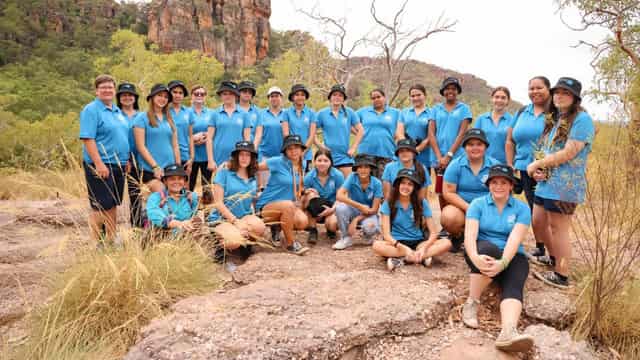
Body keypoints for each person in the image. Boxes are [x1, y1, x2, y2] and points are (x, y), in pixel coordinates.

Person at [527, 77, 594, 289]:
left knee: (559, 228)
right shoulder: (556, 118)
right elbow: (549, 149)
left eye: (565, 93)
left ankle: (562, 275)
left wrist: (539, 163)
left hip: (565, 185)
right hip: (547, 182)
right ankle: (554, 257)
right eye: (557, 92)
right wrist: (541, 169)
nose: (559, 96)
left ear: (574, 97)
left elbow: (569, 152)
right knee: (538, 220)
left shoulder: (582, 119)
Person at [461, 165, 533, 353]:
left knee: (516, 280)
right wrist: (474, 257)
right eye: (494, 182)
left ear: (511, 185)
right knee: (488, 249)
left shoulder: (522, 209)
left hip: (510, 255)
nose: (498, 186)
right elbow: (470, 236)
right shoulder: (477, 204)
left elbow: (515, 239)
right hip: (481, 251)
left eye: (503, 182)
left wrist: (503, 263)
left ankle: (508, 331)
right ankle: (472, 302)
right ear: (489, 185)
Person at [79, 74, 130, 245]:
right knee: (99, 204)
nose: (107, 90)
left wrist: (127, 160)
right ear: (96, 91)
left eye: (110, 87)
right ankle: (95, 242)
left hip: (119, 164)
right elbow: (88, 138)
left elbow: (122, 136)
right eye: (103, 87)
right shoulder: (91, 110)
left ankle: (110, 238)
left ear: (114, 90)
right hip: (101, 164)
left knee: (112, 202)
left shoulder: (117, 111)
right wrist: (99, 163)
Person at [506, 76, 551, 260]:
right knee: (534, 210)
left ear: (548, 89)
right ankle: (541, 247)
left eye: (539, 88)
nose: (535, 91)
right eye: (531, 88)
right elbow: (510, 140)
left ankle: (554, 251)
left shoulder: (555, 113)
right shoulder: (522, 111)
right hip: (524, 168)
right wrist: (510, 165)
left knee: (548, 211)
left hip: (547, 171)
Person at [373, 168, 451, 271]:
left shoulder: (421, 202)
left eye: (410, 184)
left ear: (414, 187)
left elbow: (433, 233)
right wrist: (403, 248)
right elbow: (386, 235)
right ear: (397, 185)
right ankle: (419, 258)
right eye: (403, 183)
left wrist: (424, 247)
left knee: (447, 243)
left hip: (418, 242)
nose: (406, 187)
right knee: (376, 246)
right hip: (397, 243)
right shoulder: (389, 203)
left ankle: (403, 259)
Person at [441, 129, 499, 251]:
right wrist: (470, 208)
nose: (475, 148)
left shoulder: (495, 166)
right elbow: (448, 193)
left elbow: (502, 193)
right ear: (465, 147)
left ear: (485, 147)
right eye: (470, 144)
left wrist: (485, 209)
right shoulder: (455, 165)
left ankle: (482, 238)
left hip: (487, 208)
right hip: (463, 208)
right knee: (449, 217)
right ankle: (458, 235)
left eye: (479, 144)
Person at [429, 76, 472, 237]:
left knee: (454, 191)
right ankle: (446, 226)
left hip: (457, 158)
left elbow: (462, 134)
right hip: (438, 159)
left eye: (453, 88)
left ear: (457, 91)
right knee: (441, 191)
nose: (450, 91)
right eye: (447, 88)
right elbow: (431, 134)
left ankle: (460, 225)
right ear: (443, 91)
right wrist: (439, 156)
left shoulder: (464, 109)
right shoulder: (435, 109)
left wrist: (449, 155)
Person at [256, 135, 310, 255]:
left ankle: (278, 226)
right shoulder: (277, 161)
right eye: (289, 148)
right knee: (288, 205)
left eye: (297, 147)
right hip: (266, 206)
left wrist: (305, 190)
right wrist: (229, 166)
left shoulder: (303, 163)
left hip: (287, 206)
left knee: (302, 221)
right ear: (285, 151)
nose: (293, 151)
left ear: (302, 149)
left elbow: (296, 184)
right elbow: (253, 167)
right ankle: (291, 244)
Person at [209, 141, 265, 251]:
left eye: (248, 155)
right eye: (241, 154)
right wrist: (235, 222)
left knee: (260, 227)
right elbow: (218, 203)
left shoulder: (252, 175)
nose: (244, 158)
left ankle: (244, 244)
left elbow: (254, 198)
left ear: (252, 158)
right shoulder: (224, 172)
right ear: (236, 156)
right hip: (223, 219)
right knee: (233, 241)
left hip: (243, 216)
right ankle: (219, 246)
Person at [133, 84, 180, 190]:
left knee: (173, 200)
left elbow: (175, 145)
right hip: (150, 169)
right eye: (159, 95)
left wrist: (178, 167)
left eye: (166, 97)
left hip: (170, 169)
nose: (163, 99)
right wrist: (155, 166)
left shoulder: (169, 119)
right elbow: (140, 146)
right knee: (162, 194)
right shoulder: (141, 118)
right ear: (152, 97)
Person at [334, 154, 383, 250]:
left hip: (369, 213)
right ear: (356, 169)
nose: (363, 170)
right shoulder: (352, 177)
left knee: (370, 227)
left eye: (366, 167)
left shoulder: (377, 183)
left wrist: (356, 220)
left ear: (371, 169)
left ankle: (368, 235)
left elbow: (374, 209)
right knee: (340, 208)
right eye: (360, 167)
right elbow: (339, 195)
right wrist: (359, 206)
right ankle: (345, 237)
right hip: (354, 209)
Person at [315, 84, 364, 178]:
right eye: (334, 95)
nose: (337, 97)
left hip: (345, 157)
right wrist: (320, 146)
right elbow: (312, 132)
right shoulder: (322, 113)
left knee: (347, 187)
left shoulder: (349, 112)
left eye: (340, 95)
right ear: (330, 97)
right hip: (327, 157)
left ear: (343, 99)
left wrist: (353, 148)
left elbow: (361, 130)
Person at [206, 81, 251, 173]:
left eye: (231, 93)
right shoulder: (215, 114)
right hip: (218, 158)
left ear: (236, 95)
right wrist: (210, 160)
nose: (228, 96)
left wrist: (246, 158)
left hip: (238, 158)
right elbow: (209, 138)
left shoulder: (244, 114)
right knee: (219, 185)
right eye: (224, 94)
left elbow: (247, 140)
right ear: (221, 96)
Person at [302, 149, 344, 244]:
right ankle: (313, 229)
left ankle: (330, 230)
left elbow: (340, 197)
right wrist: (307, 192)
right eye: (319, 160)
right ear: (314, 162)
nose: (322, 163)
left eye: (325, 161)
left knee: (332, 225)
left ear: (331, 162)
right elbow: (302, 200)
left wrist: (332, 210)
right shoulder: (309, 176)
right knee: (310, 194)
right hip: (314, 207)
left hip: (332, 206)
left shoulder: (338, 175)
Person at [357, 88, 401, 177]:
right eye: (373, 98)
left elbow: (401, 130)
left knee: (384, 182)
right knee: (366, 181)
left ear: (384, 98)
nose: (376, 99)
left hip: (387, 152)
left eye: (378, 97)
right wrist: (359, 134)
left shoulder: (395, 112)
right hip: (366, 153)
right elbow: (350, 122)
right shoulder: (363, 112)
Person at [116, 82, 143, 227]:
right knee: (113, 195)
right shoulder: (114, 114)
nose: (127, 98)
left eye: (130, 95)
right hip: (118, 159)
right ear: (119, 98)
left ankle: (137, 227)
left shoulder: (141, 115)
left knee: (136, 195)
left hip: (138, 160)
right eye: (124, 95)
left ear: (135, 98)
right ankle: (107, 230)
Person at [146, 164, 199, 233]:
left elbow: (197, 214)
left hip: (187, 236)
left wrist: (195, 221)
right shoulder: (156, 197)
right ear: (165, 181)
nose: (176, 182)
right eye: (172, 179)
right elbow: (154, 215)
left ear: (184, 181)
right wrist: (179, 224)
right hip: (162, 237)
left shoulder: (192, 197)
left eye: (180, 179)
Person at [254, 86, 287, 187]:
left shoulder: (286, 113)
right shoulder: (261, 114)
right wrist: (253, 149)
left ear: (281, 98)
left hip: (282, 156)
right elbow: (258, 134)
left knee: (281, 184)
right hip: (265, 156)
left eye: (277, 96)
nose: (274, 98)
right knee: (265, 186)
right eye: (272, 96)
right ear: (268, 98)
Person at [474, 87, 513, 163]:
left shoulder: (513, 120)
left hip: (504, 165)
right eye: (497, 97)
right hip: (483, 163)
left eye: (503, 98)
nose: (499, 100)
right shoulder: (481, 119)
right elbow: (475, 141)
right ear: (492, 99)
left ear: (508, 101)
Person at [283, 84, 317, 172]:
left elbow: (312, 135)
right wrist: (294, 152)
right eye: (297, 94)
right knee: (292, 181)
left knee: (305, 181)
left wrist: (303, 152)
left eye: (302, 94)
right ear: (293, 97)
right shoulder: (286, 113)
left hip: (307, 154)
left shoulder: (311, 113)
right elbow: (286, 134)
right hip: (291, 153)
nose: (300, 97)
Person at [397, 84, 431, 172]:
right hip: (405, 154)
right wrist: (408, 148)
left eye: (418, 95)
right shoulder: (404, 112)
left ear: (425, 95)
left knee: (422, 182)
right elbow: (399, 133)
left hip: (425, 156)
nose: (415, 98)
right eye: (413, 96)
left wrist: (417, 150)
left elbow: (431, 136)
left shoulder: (432, 113)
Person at [188, 84, 212, 190]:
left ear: (205, 96)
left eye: (202, 94)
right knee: (189, 184)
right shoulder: (186, 112)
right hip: (190, 156)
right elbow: (180, 134)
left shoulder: (211, 113)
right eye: (196, 94)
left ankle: (207, 206)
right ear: (191, 96)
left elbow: (215, 131)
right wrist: (193, 138)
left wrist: (207, 136)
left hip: (207, 155)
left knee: (207, 186)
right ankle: (188, 206)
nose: (199, 96)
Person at [168, 80, 194, 175]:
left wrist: (191, 158)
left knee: (184, 187)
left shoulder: (188, 112)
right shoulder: (164, 111)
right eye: (174, 92)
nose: (177, 95)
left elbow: (190, 136)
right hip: (168, 156)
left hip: (184, 156)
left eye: (180, 93)